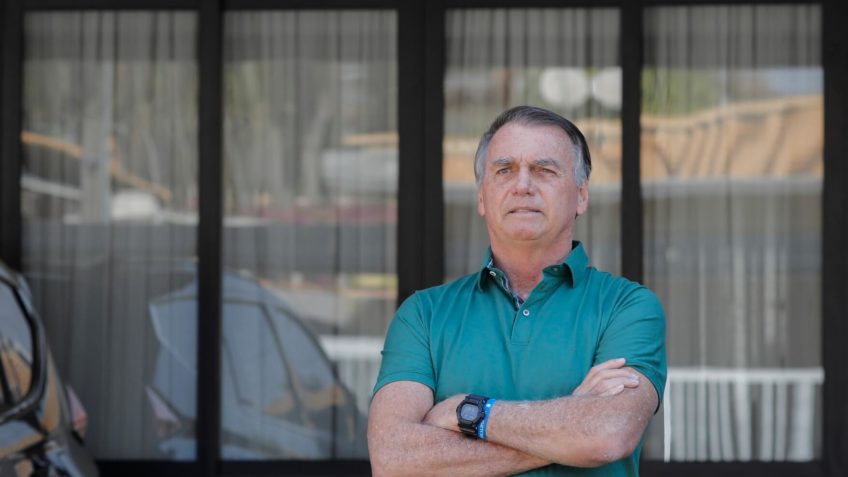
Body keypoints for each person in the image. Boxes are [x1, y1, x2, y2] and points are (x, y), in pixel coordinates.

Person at [368, 105, 667, 476]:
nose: (523, 185)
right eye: (504, 170)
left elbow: (608, 434)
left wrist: (468, 412)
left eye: (544, 170)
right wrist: (572, 425)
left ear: (581, 195)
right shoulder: (423, 315)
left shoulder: (628, 308)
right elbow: (393, 460)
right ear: (482, 197)